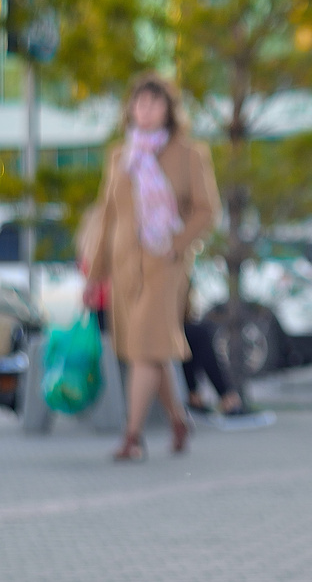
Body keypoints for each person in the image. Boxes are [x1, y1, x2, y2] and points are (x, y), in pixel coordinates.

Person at [80, 75, 220, 462]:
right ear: (131, 109)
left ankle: (133, 436)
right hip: (125, 267)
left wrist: (175, 246)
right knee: (149, 350)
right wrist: (94, 273)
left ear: (169, 110)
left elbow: (207, 210)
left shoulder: (189, 154)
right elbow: (107, 216)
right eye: (140, 103)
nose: (146, 110)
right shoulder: (120, 156)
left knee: (145, 347)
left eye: (154, 103)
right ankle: (178, 420)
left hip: (165, 266)